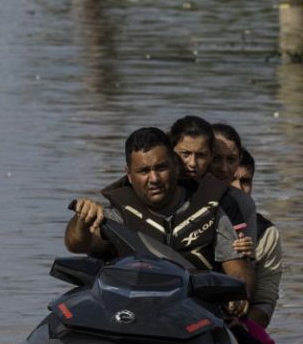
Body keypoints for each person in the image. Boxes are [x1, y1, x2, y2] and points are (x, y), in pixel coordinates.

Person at [65, 126, 252, 295]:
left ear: (175, 167)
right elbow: (77, 244)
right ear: (129, 175)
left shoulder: (210, 209)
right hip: (133, 311)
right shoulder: (116, 215)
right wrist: (81, 218)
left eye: (161, 168)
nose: (154, 178)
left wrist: (236, 293)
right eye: (144, 171)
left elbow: (237, 271)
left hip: (193, 312)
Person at [228, 148, 284, 330]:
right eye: (230, 179)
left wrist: (236, 329)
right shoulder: (192, 221)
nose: (238, 188)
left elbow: (265, 304)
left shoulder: (265, 233)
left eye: (245, 181)